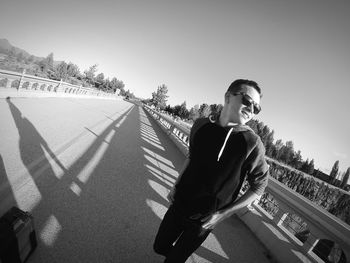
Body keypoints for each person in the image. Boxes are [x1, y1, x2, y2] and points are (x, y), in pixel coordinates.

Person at [153, 79, 269, 263]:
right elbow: (192, 157)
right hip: (179, 203)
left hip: (205, 220)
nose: (251, 109)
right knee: (159, 246)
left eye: (257, 108)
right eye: (247, 101)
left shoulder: (252, 143)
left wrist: (222, 214)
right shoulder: (201, 125)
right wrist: (176, 185)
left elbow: (259, 187)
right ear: (228, 97)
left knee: (174, 260)